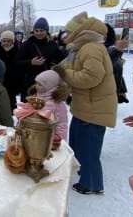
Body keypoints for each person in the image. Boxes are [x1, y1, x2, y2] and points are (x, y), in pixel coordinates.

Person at [53, 11, 117, 195]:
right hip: (88, 107)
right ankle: (84, 174)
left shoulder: (91, 48)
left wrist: (65, 74)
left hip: (94, 109)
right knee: (80, 144)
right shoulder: (87, 47)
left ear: (79, 32)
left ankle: (92, 184)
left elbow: (91, 77)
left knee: (89, 150)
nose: (66, 36)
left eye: (68, 32)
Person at [15, 17, 66, 102]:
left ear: (46, 31)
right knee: (29, 112)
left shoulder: (52, 45)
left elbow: (61, 60)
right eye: (36, 30)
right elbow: (16, 62)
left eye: (41, 30)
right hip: (30, 85)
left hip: (48, 85)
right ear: (33, 31)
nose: (39, 33)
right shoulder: (27, 44)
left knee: (47, 112)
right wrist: (31, 62)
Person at [27, 70, 70, 142]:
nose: (36, 86)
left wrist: (59, 139)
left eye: (40, 84)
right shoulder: (34, 97)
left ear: (49, 87)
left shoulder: (57, 104)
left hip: (48, 139)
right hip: (31, 135)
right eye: (36, 83)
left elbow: (62, 123)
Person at [104, 23, 129, 103]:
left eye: (105, 33)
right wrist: (117, 50)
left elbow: (118, 73)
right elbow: (103, 65)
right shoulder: (91, 51)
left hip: (111, 95)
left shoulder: (111, 50)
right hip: (98, 98)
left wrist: (122, 90)